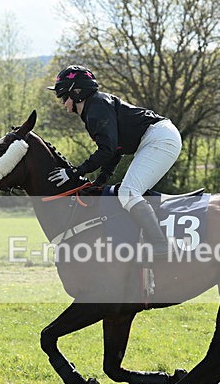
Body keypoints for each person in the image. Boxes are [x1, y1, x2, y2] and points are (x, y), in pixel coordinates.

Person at [47, 65, 182, 256]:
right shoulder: (95, 106)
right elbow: (115, 150)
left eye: (63, 97)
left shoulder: (96, 108)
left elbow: (107, 150)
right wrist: (102, 180)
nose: (63, 104)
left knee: (128, 192)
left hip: (159, 138)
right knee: (128, 191)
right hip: (158, 136)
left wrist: (75, 172)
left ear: (77, 93)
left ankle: (160, 245)